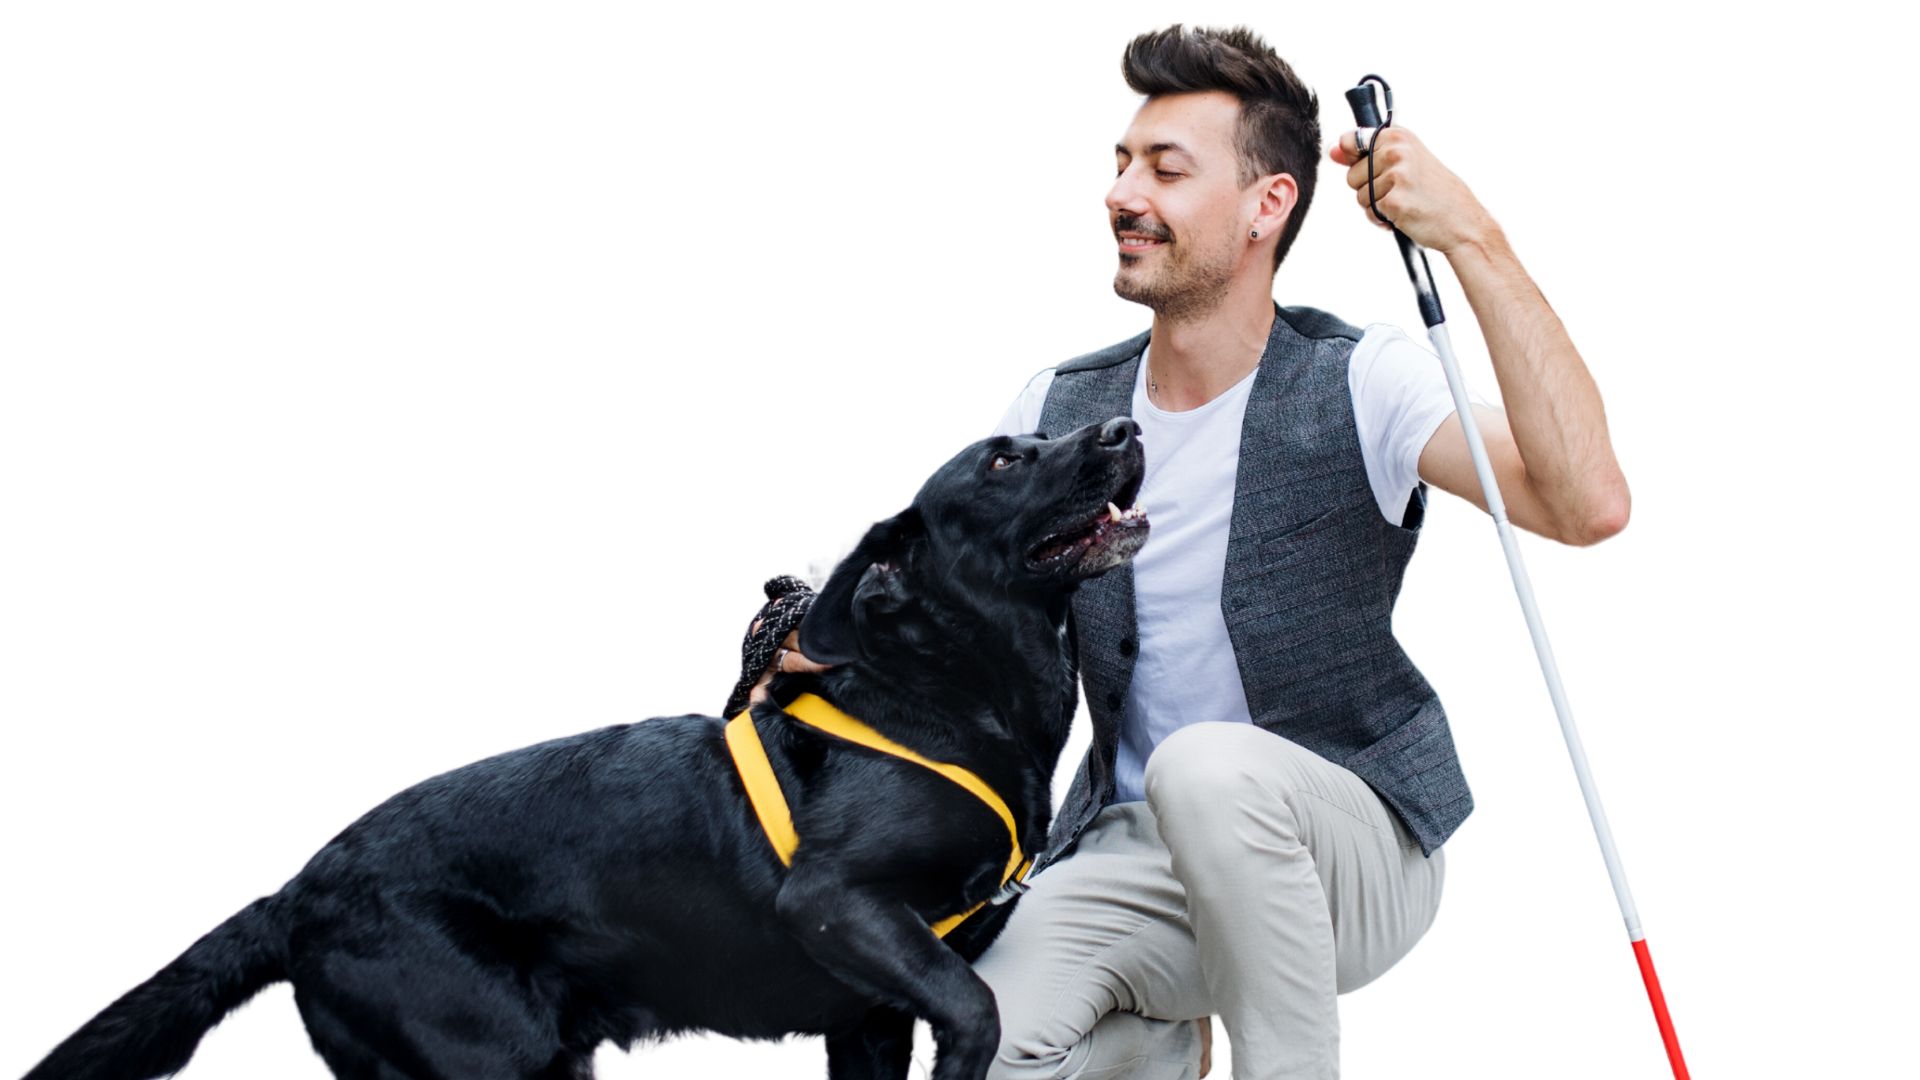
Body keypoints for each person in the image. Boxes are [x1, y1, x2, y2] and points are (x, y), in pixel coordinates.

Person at [749, 22, 1629, 1080]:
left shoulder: (1361, 378)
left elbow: (1587, 507)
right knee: (965, 1042)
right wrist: (794, 626)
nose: (1123, 194)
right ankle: (1175, 1046)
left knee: (1205, 770)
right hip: (1133, 853)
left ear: (1269, 206)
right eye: (1121, 164)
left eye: (1167, 169)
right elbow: (913, 572)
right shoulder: (1060, 406)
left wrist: (1477, 239)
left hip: (1350, 848)